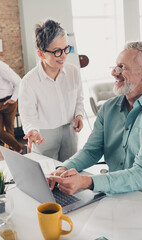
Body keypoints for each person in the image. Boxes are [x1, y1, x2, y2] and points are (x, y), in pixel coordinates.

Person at [49, 41, 142, 195]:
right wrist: (64, 168)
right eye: (115, 66)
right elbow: (91, 151)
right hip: (116, 184)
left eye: (122, 67)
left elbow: (141, 175)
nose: (114, 73)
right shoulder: (108, 108)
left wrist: (87, 182)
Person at [18, 19, 85, 161]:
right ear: (41, 54)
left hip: (70, 131)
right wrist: (32, 131)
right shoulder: (29, 82)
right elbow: (28, 116)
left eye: (66, 48)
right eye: (57, 52)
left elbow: (79, 98)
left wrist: (79, 115)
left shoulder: (73, 72)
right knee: (47, 175)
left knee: (69, 172)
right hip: (43, 135)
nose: (64, 55)